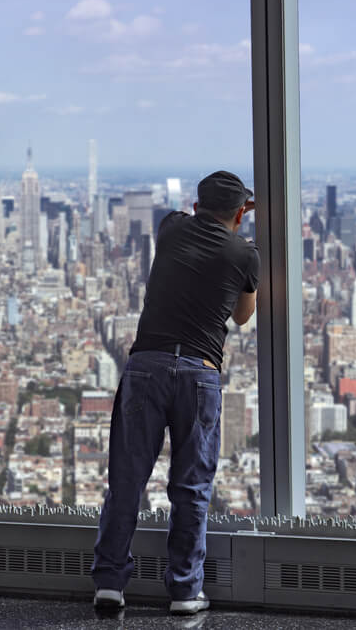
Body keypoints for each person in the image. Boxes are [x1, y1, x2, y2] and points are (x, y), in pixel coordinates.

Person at [91, 170, 259, 616]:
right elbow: (243, 315)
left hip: (147, 366)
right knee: (191, 488)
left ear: (198, 206)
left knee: (126, 482)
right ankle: (185, 591)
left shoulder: (170, 229)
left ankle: (109, 584)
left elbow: (186, 218)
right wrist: (243, 239)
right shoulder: (244, 254)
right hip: (199, 374)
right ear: (240, 213)